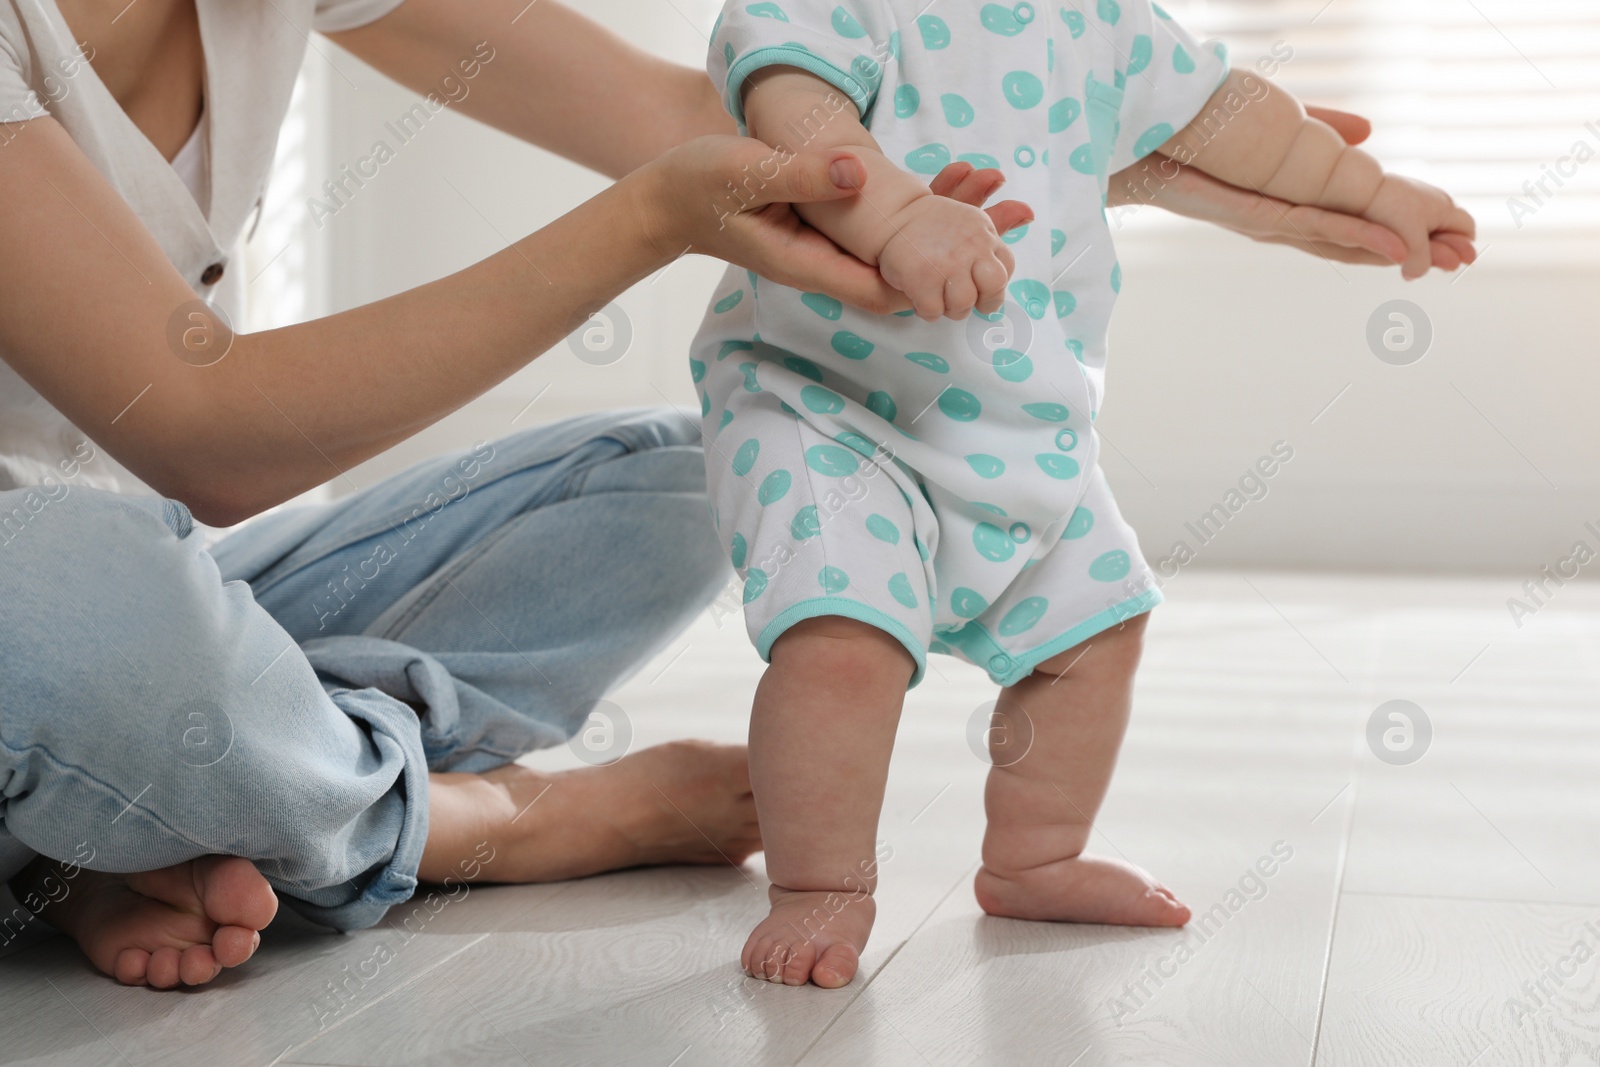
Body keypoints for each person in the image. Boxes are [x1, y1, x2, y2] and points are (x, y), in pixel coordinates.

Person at [0, 0, 1430, 991]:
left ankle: (130, 810)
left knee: (709, 472)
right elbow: (192, 419)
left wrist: (1130, 167)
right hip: (61, 598)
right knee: (99, 624)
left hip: (146, 579)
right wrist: (644, 220)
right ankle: (469, 822)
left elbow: (701, 120)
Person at [691, 0, 1476, 987]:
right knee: (842, 642)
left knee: (1098, 629)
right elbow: (793, 114)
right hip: (820, 402)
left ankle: (1034, 855)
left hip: (1013, 416)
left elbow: (1229, 115)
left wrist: (1367, 188)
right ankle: (818, 886)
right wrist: (895, 214)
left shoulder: (1099, 17)